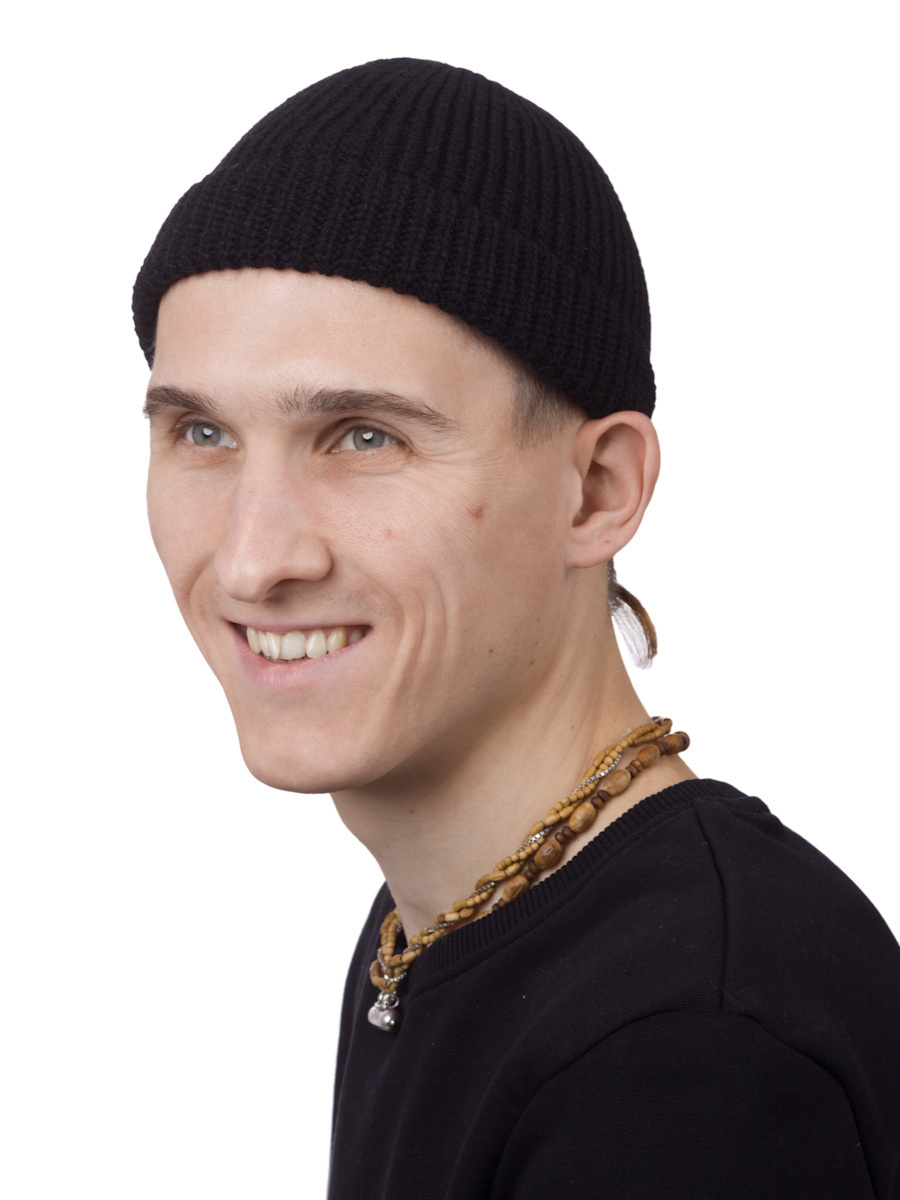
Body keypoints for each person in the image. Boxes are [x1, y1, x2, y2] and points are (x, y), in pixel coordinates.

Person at [133, 57, 900, 1198]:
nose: (252, 559)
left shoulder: (686, 1053)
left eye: (364, 437)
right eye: (201, 434)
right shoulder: (439, 923)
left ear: (597, 490)